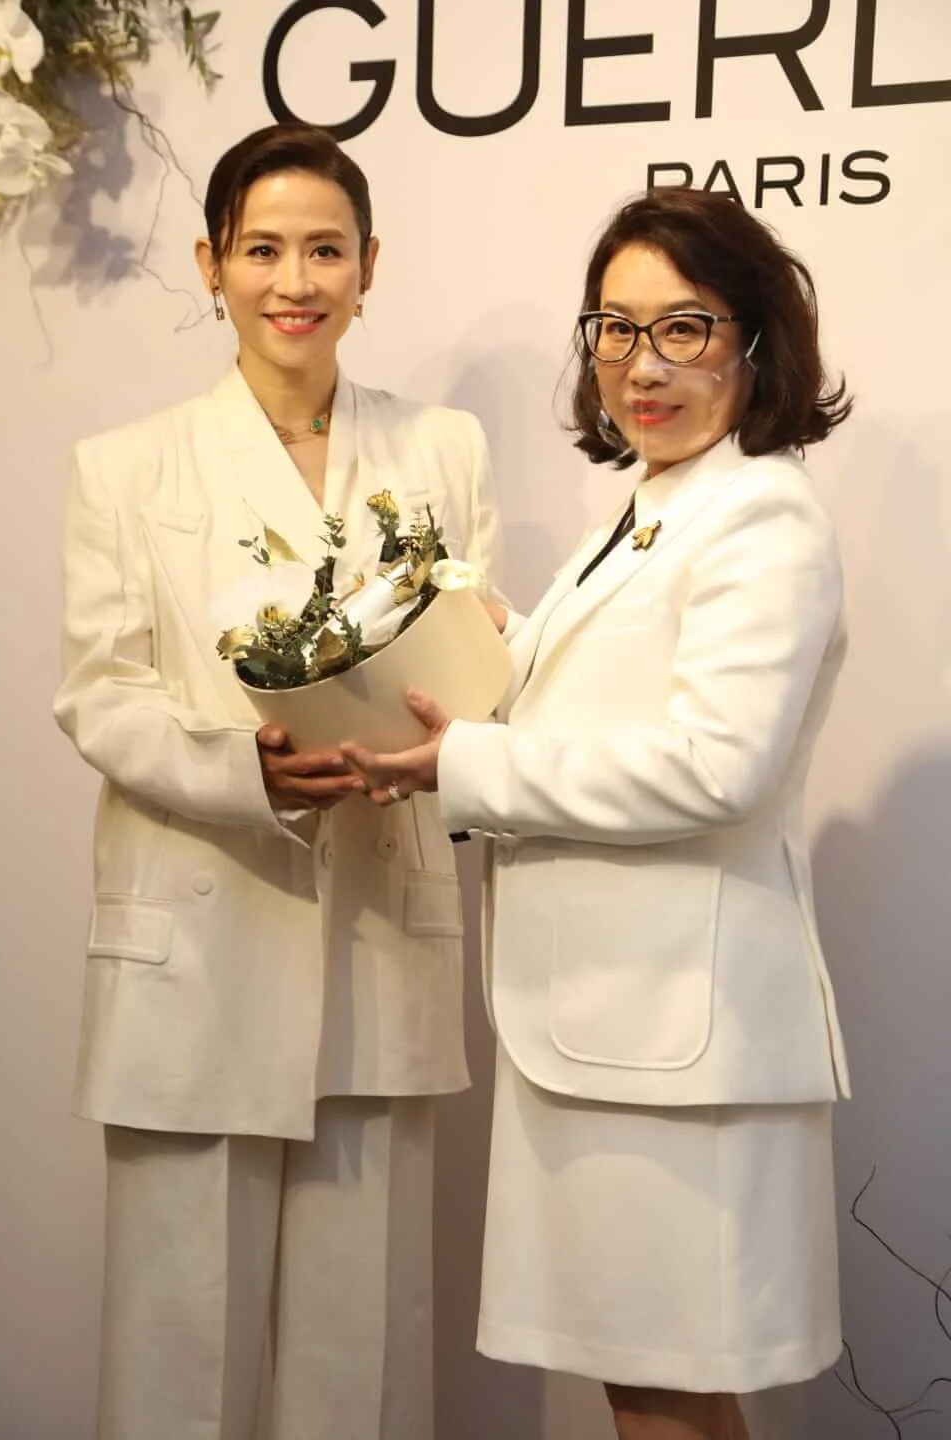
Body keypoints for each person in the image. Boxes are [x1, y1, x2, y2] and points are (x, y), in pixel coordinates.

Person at [342, 187, 852, 1440]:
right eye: (617, 329)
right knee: (649, 1386)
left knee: (664, 1388)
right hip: (616, 1033)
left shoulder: (759, 516)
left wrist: (466, 765)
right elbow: (607, 698)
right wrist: (483, 639)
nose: (644, 364)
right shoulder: (647, 513)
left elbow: (715, 767)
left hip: (674, 1039)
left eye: (685, 326)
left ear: (756, 342)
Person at [53, 122, 503, 1440]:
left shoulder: (443, 449)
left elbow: (483, 660)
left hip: (381, 936)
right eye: (262, 250)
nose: (294, 281)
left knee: (362, 1374)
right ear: (211, 265)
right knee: (175, 1365)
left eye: (324, 250)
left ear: (370, 266)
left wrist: (458, 707)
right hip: (195, 939)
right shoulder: (123, 466)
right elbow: (99, 691)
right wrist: (241, 766)